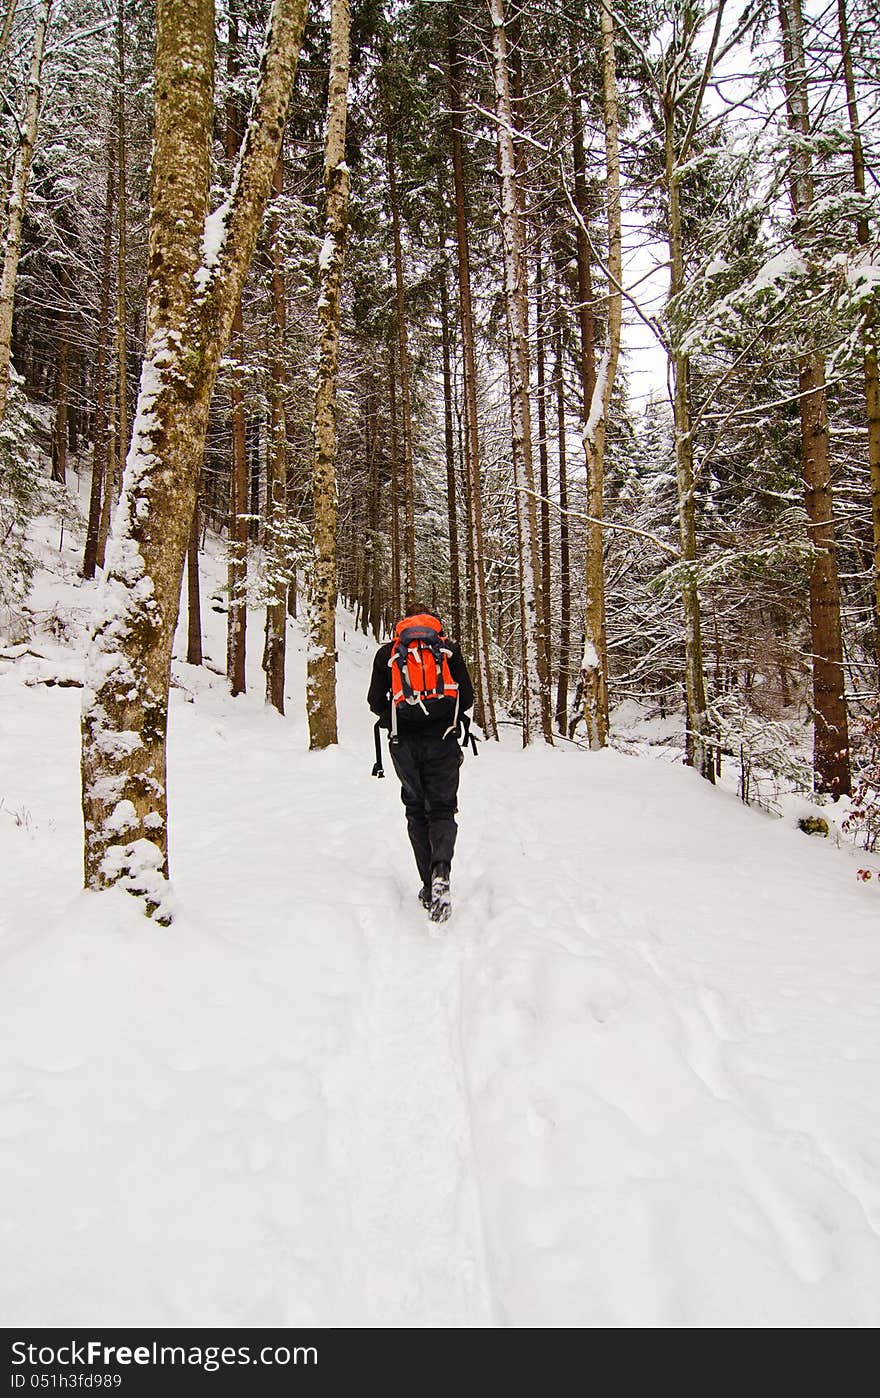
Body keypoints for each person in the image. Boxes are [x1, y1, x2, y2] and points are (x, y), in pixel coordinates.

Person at [368, 611, 474, 922]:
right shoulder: (448, 651)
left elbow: (375, 700)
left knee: (416, 809)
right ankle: (441, 869)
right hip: (443, 740)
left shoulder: (388, 654)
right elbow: (465, 698)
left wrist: (393, 718)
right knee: (442, 809)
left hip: (405, 745)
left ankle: (429, 887)